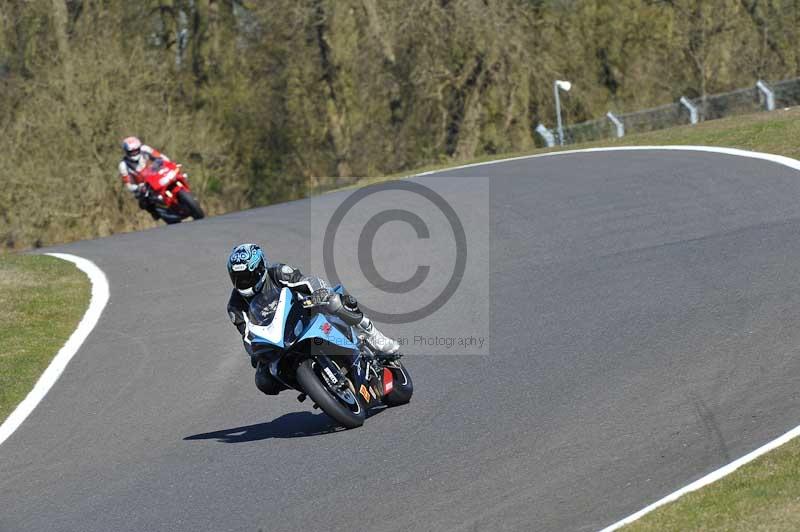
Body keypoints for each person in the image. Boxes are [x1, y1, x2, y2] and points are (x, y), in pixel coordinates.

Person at [226, 243, 400, 396]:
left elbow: (307, 282)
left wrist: (319, 293)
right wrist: (255, 353)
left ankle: (374, 336)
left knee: (334, 301)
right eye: (238, 278)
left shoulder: (278, 272)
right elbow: (247, 335)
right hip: (277, 338)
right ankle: (313, 384)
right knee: (263, 380)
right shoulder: (235, 306)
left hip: (304, 311)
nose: (243, 282)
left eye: (248, 277)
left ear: (260, 269)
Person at [118, 136, 170, 219]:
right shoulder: (123, 165)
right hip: (142, 185)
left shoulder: (145, 149)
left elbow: (160, 156)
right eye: (132, 152)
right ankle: (155, 212)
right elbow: (128, 183)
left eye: (136, 150)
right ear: (127, 152)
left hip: (155, 174)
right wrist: (137, 187)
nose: (134, 153)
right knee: (143, 201)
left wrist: (168, 163)